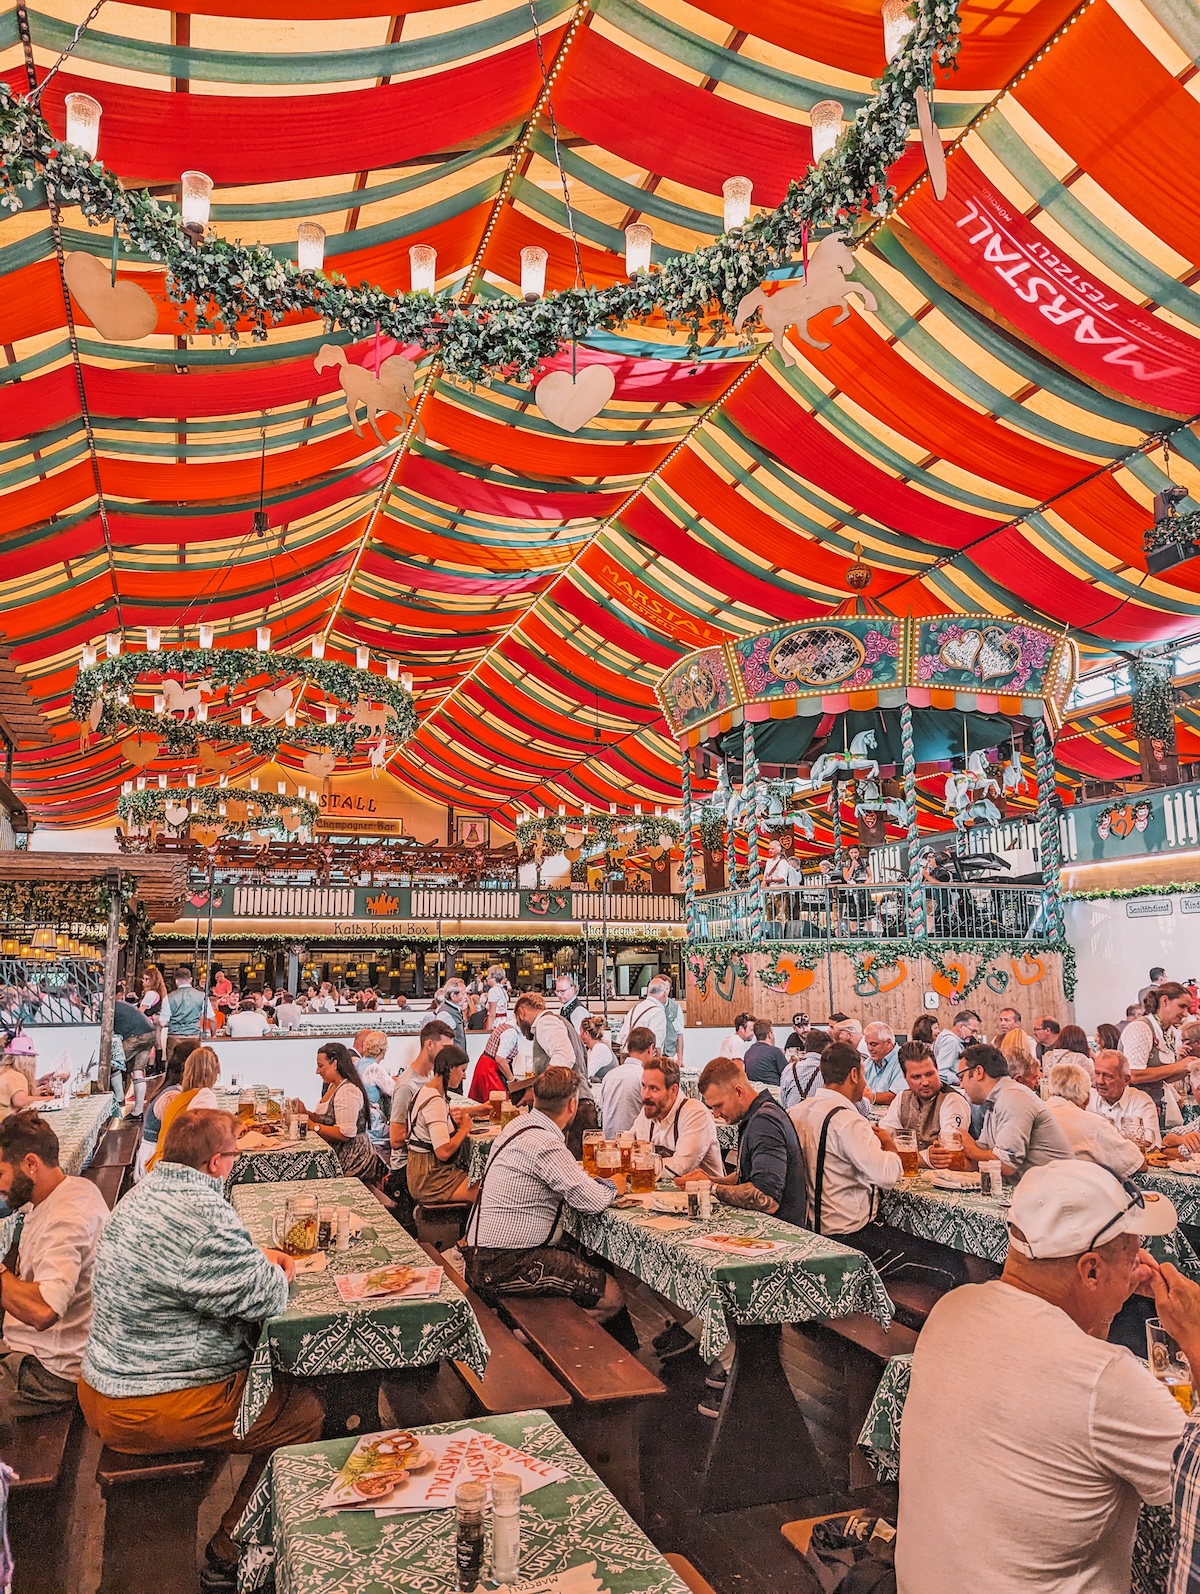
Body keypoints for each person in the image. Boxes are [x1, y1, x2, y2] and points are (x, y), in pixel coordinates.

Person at [895, 1159, 1184, 1594]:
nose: (1140, 1265)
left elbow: (1061, 1376)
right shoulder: (1105, 1380)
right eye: (1132, 1254)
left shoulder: (952, 1310)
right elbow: (1193, 1477)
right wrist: (1194, 1337)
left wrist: (1103, 1309)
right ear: (1090, 1270)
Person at [79, 1109, 323, 1588]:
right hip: (148, 1401)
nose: (235, 1160)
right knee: (306, 1413)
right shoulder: (204, 1212)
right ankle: (232, 1551)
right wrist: (279, 1271)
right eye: (234, 1153)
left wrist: (252, 1255)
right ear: (216, 1162)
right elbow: (267, 1297)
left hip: (108, 1381)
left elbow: (196, 1267)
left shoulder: (146, 1192)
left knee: (268, 1389)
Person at [461, 1066, 628, 1327]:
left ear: (535, 1099)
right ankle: (531, 1341)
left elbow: (570, 1183)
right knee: (612, 1296)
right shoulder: (546, 1143)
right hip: (507, 1262)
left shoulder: (518, 1126)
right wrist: (615, 1185)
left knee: (582, 1256)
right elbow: (592, 1202)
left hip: (483, 1254)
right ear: (572, 1104)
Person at [0, 1113, 108, 1422]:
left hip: (51, 1374)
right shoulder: (72, 1188)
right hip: (57, 1352)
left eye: (0, 1175)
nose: (1, 1187)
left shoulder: (66, 1220)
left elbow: (44, 1310)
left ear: (31, 1164)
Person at [788, 1043, 903, 1254]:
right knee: (949, 1266)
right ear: (853, 1075)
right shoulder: (848, 1121)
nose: (865, 1082)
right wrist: (890, 1147)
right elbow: (885, 1176)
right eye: (864, 1074)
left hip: (808, 1232)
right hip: (849, 1239)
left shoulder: (794, 1112)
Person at [688, 1058, 805, 1225]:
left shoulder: (765, 1122)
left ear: (738, 1092)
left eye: (718, 1105)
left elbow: (767, 1198)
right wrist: (710, 1181)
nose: (715, 1114)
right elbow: (748, 1175)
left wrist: (711, 1188)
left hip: (778, 1234)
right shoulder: (757, 1115)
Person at [929, 1043, 1073, 1179]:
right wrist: (948, 1159)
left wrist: (970, 1148)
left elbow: (1006, 1165)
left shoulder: (1013, 1097)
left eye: (962, 1077)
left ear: (978, 1072)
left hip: (1057, 1195)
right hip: (1038, 1192)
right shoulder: (996, 1101)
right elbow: (981, 1159)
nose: (961, 1084)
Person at [513, 993, 598, 1157]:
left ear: (522, 1012)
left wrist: (539, 1089)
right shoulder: (555, 1022)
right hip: (576, 1104)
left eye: (517, 1020)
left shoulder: (546, 1022)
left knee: (575, 1169)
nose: (519, 1025)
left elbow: (565, 1056)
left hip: (572, 1108)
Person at [404, 1045, 477, 1207]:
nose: (464, 1076)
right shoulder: (435, 1101)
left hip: (424, 1171)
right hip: (430, 1178)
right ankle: (473, 1232)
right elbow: (443, 1151)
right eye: (463, 1070)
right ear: (451, 1069)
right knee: (488, 1192)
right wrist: (464, 1129)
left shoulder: (427, 1090)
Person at [629, 1055, 722, 1179]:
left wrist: (639, 1163)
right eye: (644, 1086)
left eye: (653, 1088)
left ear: (673, 1090)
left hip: (704, 1196)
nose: (645, 1095)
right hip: (659, 1194)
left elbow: (680, 1167)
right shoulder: (650, 1110)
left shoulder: (695, 1113)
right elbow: (631, 1149)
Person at [295, 1042, 380, 1180]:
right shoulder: (334, 1086)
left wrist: (312, 1126)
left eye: (321, 1066)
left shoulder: (347, 1090)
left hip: (352, 1156)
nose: (317, 1071)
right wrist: (306, 1113)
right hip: (339, 1151)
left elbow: (345, 1133)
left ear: (334, 1064)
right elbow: (328, 1119)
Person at [1045, 1062, 1144, 1178]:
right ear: (1087, 1098)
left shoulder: (1034, 1113)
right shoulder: (1094, 1123)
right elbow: (1137, 1164)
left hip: (1031, 1191)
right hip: (1075, 1192)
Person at [880, 1042, 969, 1164]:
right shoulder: (902, 1098)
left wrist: (901, 1155)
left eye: (929, 1074)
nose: (925, 1082)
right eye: (916, 1077)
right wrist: (924, 1158)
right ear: (905, 1078)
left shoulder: (952, 1100)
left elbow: (946, 1154)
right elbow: (884, 1138)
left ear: (937, 1070)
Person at [1121, 982, 1193, 1130]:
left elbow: (1163, 1077)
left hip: (1157, 1105)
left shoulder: (1170, 1032)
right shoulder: (1141, 1028)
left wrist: (1186, 1068)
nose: (1186, 1014)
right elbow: (1134, 1075)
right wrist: (1178, 1066)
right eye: (1182, 1006)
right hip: (1135, 1111)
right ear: (1165, 1001)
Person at [146, 1047, 222, 1170]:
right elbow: (202, 1137)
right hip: (175, 1166)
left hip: (158, 1160)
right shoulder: (204, 1095)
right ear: (213, 1072)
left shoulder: (180, 1096)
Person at [599, 1028, 655, 1138]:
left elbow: (602, 1109)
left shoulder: (609, 1075)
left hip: (608, 1142)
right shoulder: (645, 1077)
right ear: (650, 1049)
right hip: (635, 1142)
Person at [469, 1013, 520, 1103]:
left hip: (484, 1064)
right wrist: (512, 1080)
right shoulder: (511, 1032)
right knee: (499, 1105)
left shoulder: (506, 1026)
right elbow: (500, 1059)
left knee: (481, 1103)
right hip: (490, 1070)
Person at [160, 967, 214, 1050]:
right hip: (194, 1037)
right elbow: (212, 1019)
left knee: (173, 1062)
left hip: (175, 1037)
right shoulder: (202, 996)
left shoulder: (168, 998)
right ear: (191, 979)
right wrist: (213, 1035)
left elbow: (163, 1023)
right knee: (193, 1062)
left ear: (176, 981)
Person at [616, 976, 670, 1055]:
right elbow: (656, 1044)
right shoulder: (657, 1012)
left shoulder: (634, 1008)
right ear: (665, 993)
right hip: (642, 1058)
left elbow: (620, 1039)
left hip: (626, 1055)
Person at [779, 1029, 828, 1109]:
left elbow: (783, 1101)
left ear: (806, 1048)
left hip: (792, 1118)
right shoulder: (828, 1070)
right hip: (817, 1118)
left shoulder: (789, 1069)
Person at [862, 1022, 903, 1106]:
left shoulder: (902, 1060)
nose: (869, 1048)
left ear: (888, 1043)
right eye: (867, 1044)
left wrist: (872, 1097)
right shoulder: (869, 1062)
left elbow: (898, 1096)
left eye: (873, 1044)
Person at [932, 1009, 979, 1083]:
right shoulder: (951, 1041)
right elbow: (942, 1072)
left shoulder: (944, 1037)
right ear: (960, 1027)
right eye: (972, 1031)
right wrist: (962, 1082)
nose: (974, 1035)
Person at [743, 1019, 787, 1088]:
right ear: (769, 1034)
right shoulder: (775, 1052)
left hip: (755, 1094)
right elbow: (788, 1075)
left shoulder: (748, 1053)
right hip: (774, 1093)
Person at [579, 1015, 616, 1081]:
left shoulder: (600, 1048)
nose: (579, 1035)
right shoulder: (591, 1049)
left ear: (586, 1034)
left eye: (581, 1032)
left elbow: (587, 1074)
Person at [440, 978, 470, 1051]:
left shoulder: (454, 1010)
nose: (466, 997)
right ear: (453, 995)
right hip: (453, 1059)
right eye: (463, 993)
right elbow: (444, 1043)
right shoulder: (445, 1014)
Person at [483, 966, 509, 1031]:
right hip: (503, 1022)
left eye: (488, 976)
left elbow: (492, 1014)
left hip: (496, 1023)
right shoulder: (502, 989)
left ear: (493, 978)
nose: (486, 978)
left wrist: (487, 1031)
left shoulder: (493, 991)